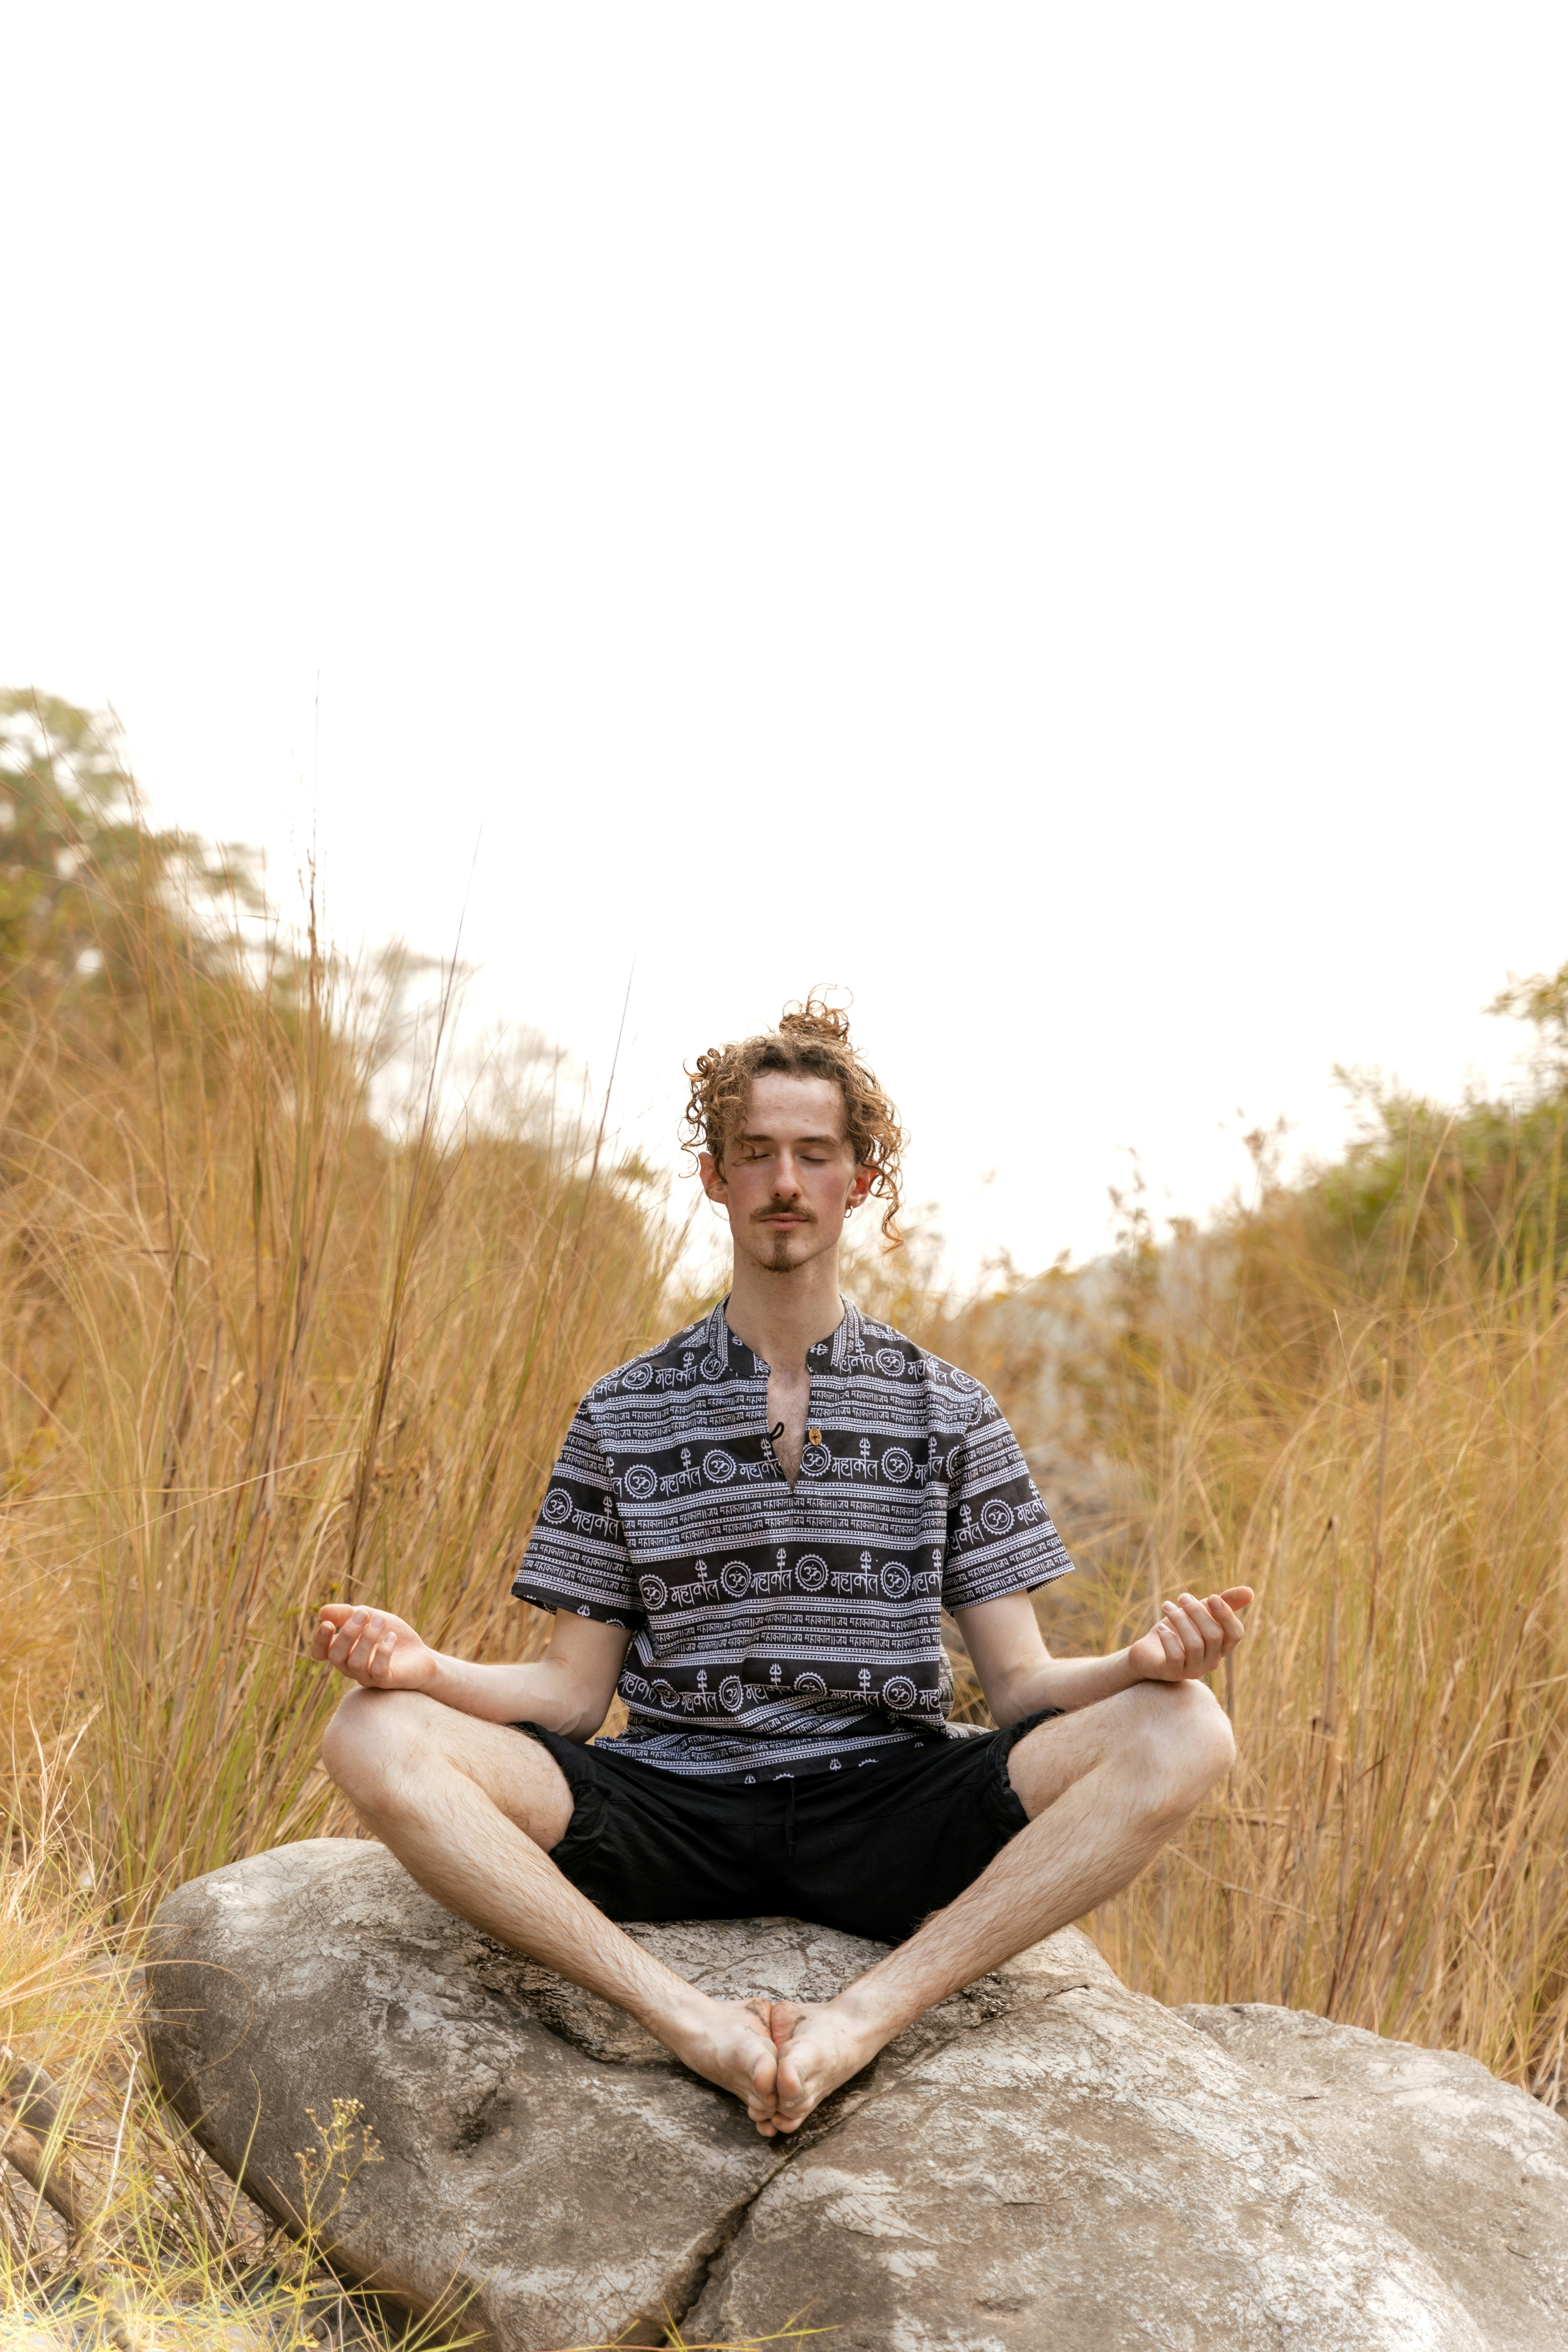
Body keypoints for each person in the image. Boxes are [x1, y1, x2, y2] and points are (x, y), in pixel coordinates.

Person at [312, 1000, 1250, 2139]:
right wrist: (423, 1668)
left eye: (815, 1154)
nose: (785, 1182)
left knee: (1186, 1726)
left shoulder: (948, 1409)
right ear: (715, 1177)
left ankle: (861, 2019)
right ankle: (695, 2026)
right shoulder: (623, 1410)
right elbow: (568, 1697)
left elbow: (1020, 1691)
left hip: (889, 1804)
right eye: (756, 1154)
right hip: (674, 1803)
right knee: (371, 1732)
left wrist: (1140, 1664)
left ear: (862, 1183)